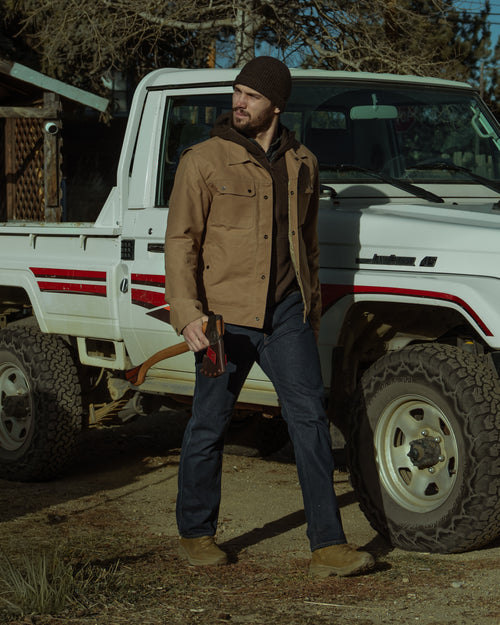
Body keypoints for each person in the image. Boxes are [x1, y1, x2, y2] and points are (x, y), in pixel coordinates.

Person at [164, 56, 375, 578]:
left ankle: (328, 545)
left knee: (310, 420)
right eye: (236, 91)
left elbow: (308, 245)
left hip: (285, 314)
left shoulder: (304, 162)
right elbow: (181, 241)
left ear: (276, 106)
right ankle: (196, 532)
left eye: (251, 95)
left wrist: (310, 312)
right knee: (209, 422)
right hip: (223, 318)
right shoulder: (204, 160)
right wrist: (188, 314)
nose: (239, 102)